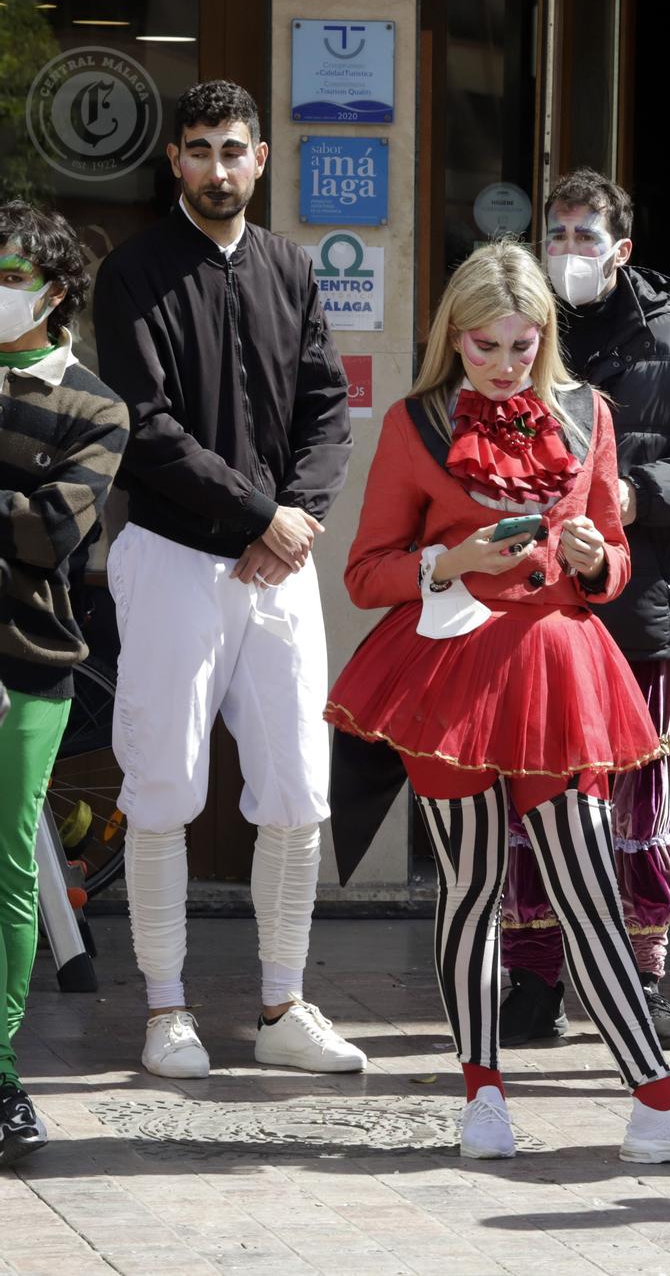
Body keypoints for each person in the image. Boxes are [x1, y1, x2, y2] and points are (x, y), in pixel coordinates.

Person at [324, 241, 670, 1167]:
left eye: (522, 344)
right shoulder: (416, 423)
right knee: (474, 889)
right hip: (449, 675)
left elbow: (614, 556)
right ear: (453, 335)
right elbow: (366, 572)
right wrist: (453, 560)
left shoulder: (588, 412)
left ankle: (656, 1103)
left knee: (590, 890)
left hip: (559, 669)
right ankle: (482, 1094)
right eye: (484, 345)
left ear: (546, 334)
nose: (504, 363)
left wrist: (603, 560)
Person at [93, 81, 362, 1080]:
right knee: (163, 789)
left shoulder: (291, 268)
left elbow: (328, 409)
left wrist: (292, 521)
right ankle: (166, 1010)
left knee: (298, 790)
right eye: (199, 149)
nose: (217, 168)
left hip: (279, 570)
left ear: (260, 161)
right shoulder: (133, 276)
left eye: (234, 149)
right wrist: (261, 516)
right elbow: (144, 429)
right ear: (174, 161)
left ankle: (283, 1004)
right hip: (171, 560)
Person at [498, 167, 670, 1052]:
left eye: (585, 240)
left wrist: (637, 493)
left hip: (644, 617)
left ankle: (643, 976)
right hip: (538, 615)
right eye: (555, 239)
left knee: (641, 806)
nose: (568, 256)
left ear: (621, 250)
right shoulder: (513, 338)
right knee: (536, 803)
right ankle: (532, 976)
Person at [0, 201, 127, 1164]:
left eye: (10, 271)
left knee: (7, 869)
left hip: (25, 661)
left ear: (52, 289)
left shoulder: (93, 404)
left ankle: (0, 1074)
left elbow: (52, 530)